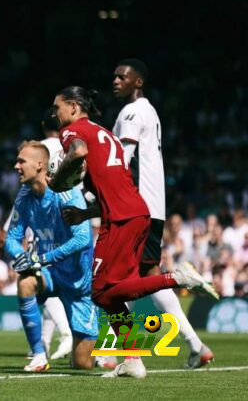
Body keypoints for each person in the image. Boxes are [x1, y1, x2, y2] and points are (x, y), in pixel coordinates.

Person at [49, 86, 218, 378]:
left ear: (74, 108)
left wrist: (58, 180)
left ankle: (176, 277)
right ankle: (133, 360)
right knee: (114, 293)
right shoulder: (106, 135)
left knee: (101, 291)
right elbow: (112, 186)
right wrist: (84, 213)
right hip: (136, 212)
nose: (55, 113)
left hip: (122, 219)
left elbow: (78, 152)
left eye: (58, 107)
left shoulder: (72, 132)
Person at [112, 58, 214, 368]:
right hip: (152, 206)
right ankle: (196, 346)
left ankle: (124, 353)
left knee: (113, 280)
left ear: (138, 82)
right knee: (146, 275)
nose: (115, 81)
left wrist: (98, 199)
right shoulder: (150, 111)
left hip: (134, 206)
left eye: (122, 77)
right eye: (114, 77)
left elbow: (123, 162)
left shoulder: (130, 113)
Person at [5, 140, 98, 372]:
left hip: (79, 279)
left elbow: (82, 239)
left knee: (83, 364)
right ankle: (38, 355)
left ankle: (100, 350)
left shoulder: (66, 193)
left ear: (39, 165)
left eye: (21, 161)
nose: (16, 166)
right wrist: (21, 256)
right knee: (26, 282)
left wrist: (42, 259)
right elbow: (11, 238)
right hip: (49, 272)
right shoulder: (24, 195)